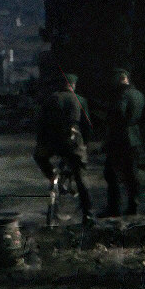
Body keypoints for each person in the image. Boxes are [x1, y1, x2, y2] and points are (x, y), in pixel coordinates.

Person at [34, 73, 94, 224]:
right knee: (81, 177)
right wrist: (85, 144)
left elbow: (41, 123)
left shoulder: (51, 99)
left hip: (52, 144)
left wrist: (42, 142)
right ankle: (88, 214)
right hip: (72, 144)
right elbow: (87, 126)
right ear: (73, 85)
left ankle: (52, 174)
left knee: (39, 156)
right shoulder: (80, 100)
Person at [100, 68, 145, 217]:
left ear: (121, 79)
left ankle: (114, 208)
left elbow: (118, 113)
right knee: (131, 174)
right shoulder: (138, 94)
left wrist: (109, 124)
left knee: (111, 173)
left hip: (119, 139)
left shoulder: (122, 95)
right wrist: (141, 132)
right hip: (134, 139)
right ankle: (133, 206)